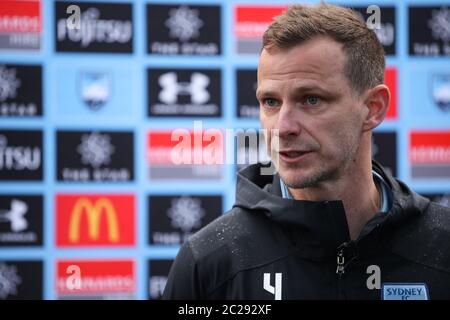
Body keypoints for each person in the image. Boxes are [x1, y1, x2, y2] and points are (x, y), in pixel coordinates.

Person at [162, 3, 450, 300]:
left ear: (372, 109)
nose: (283, 127)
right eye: (271, 102)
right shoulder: (208, 264)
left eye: (311, 100)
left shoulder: (443, 247)